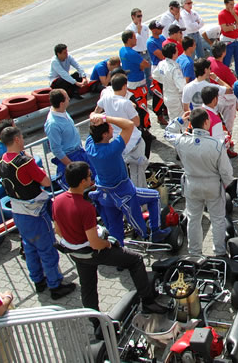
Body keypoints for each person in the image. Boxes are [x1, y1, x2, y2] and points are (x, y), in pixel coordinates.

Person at [52, 161, 167, 315]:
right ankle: (147, 302)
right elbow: (95, 243)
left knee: (88, 288)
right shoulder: (86, 208)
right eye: (89, 176)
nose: (92, 179)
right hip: (92, 250)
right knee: (136, 260)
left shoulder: (57, 201)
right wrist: (108, 244)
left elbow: (58, 230)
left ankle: (95, 323)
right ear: (82, 182)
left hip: (75, 253)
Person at [0, 126, 75, 299]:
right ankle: (55, 285)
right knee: (47, 248)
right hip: (35, 212)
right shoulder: (24, 161)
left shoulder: (1, 161)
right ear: (17, 139)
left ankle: (38, 281)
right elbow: (46, 182)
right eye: (22, 137)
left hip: (18, 212)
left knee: (29, 247)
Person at [85, 113, 168, 244]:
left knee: (115, 228)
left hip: (105, 195)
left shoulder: (90, 147)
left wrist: (95, 119)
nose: (113, 128)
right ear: (105, 135)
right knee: (154, 196)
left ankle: (120, 255)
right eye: (110, 127)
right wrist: (107, 118)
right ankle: (155, 231)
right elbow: (129, 125)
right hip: (124, 192)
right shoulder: (112, 149)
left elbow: (92, 128)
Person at [165, 108, 234, 257]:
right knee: (218, 219)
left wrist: (179, 120)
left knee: (193, 219)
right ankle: (220, 252)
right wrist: (229, 186)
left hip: (191, 184)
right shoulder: (217, 144)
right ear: (206, 122)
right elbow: (226, 172)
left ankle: (194, 252)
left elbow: (167, 132)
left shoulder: (182, 140)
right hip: (212, 185)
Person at [94, 73, 147, 191]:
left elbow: (96, 111)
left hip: (118, 141)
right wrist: (132, 109)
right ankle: (140, 198)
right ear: (124, 86)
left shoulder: (106, 98)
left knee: (126, 171)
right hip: (133, 140)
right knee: (137, 172)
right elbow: (137, 123)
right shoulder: (126, 103)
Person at [44, 89, 94, 189]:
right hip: (71, 157)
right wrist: (72, 166)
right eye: (67, 98)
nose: (69, 99)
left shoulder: (63, 112)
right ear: (62, 103)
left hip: (80, 152)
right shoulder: (52, 125)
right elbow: (56, 149)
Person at [152, 42, 187, 121]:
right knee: (181, 121)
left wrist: (166, 81)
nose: (178, 51)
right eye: (177, 50)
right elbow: (182, 87)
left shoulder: (161, 63)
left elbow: (155, 75)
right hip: (176, 98)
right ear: (173, 54)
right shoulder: (175, 68)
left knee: (172, 118)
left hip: (167, 96)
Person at [120, 29, 150, 103]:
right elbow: (146, 64)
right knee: (141, 101)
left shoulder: (121, 50)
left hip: (129, 80)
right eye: (134, 37)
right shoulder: (132, 53)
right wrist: (141, 67)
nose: (136, 39)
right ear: (129, 39)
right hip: (138, 81)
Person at [218, 0, 238, 78]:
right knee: (226, 61)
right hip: (228, 42)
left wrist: (234, 15)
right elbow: (225, 29)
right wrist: (234, 27)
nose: (232, 6)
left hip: (237, 40)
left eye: (233, 4)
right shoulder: (221, 14)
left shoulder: (235, 12)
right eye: (230, 4)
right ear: (226, 4)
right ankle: (225, 77)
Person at [126, 8, 152, 88]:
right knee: (142, 74)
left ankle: (150, 90)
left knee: (149, 74)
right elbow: (135, 41)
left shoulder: (144, 26)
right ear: (133, 17)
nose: (140, 18)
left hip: (146, 52)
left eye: (141, 16)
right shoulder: (129, 29)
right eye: (138, 16)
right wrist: (138, 31)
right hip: (138, 54)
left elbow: (146, 39)